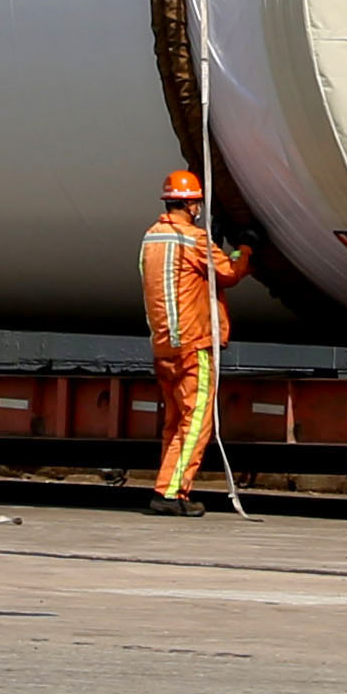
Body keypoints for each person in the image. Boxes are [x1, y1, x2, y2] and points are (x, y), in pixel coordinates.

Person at [138, 166, 253, 516]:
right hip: (193, 345)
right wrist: (245, 249)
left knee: (174, 424)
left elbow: (181, 279)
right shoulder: (192, 239)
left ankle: (168, 487)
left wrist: (212, 245)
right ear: (191, 206)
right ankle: (171, 494)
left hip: (164, 346)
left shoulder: (152, 238)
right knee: (196, 422)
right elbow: (229, 273)